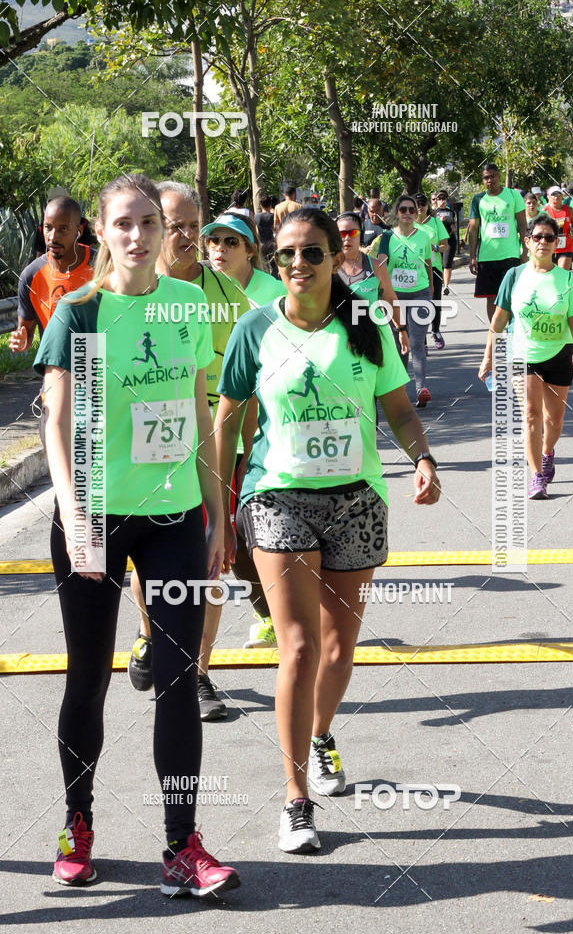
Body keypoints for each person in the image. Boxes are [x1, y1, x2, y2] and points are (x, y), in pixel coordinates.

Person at [34, 172, 240, 897]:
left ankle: (183, 846)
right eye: (123, 223)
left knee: (179, 679)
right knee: (87, 678)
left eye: (149, 223)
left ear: (164, 230)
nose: (138, 236)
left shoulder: (187, 306)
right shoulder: (81, 313)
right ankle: (77, 823)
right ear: (103, 232)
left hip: (175, 517)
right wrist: (75, 515)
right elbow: (54, 426)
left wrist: (218, 514)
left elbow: (199, 412)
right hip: (94, 514)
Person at [214, 207, 441, 853]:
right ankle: (295, 800)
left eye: (311, 253)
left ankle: (320, 738)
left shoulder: (366, 328)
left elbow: (397, 409)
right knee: (301, 649)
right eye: (286, 254)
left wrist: (421, 458)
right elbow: (227, 420)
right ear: (272, 260)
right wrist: (221, 505)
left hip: (356, 502)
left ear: (333, 257)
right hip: (279, 498)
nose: (298, 265)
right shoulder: (254, 329)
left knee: (340, 652)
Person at [125, 181, 269, 721]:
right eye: (174, 224)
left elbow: (246, 384)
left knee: (211, 560)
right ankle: (147, 634)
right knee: (152, 559)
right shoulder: (131, 291)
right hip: (146, 444)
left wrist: (249, 454)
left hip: (213, 441)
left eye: (193, 225)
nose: (186, 235)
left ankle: (199, 674)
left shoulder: (231, 298)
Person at [203, 210, 285, 648]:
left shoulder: (272, 292)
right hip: (211, 431)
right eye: (213, 240)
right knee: (220, 537)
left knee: (251, 533)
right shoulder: (193, 292)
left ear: (251, 248)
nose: (220, 249)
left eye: (231, 242)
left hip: (263, 430)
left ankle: (280, 613)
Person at [478, 213, 573, 499]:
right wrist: (488, 357)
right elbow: (499, 322)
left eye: (549, 238)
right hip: (523, 353)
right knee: (530, 414)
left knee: (554, 420)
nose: (543, 242)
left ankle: (548, 452)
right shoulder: (513, 276)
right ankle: (537, 476)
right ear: (527, 242)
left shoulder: (566, 279)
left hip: (559, 353)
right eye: (537, 237)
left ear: (556, 244)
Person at [371, 195, 434, 407]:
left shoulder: (424, 237)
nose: (408, 213)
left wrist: (431, 292)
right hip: (393, 297)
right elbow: (377, 263)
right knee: (400, 345)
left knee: (416, 341)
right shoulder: (387, 237)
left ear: (417, 214)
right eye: (403, 209)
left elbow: (427, 266)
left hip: (420, 294)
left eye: (412, 210)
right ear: (397, 213)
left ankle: (421, 389)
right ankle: (400, 392)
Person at [10, 196, 94, 354]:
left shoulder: (102, 267)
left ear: (78, 231)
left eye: (63, 229)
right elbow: (25, 332)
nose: (53, 237)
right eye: (48, 227)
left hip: (94, 363)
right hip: (53, 364)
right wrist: (21, 341)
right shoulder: (31, 276)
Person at [335, 210, 409, 363]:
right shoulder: (327, 269)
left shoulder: (375, 266)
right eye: (342, 234)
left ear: (360, 235)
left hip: (373, 340)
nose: (347, 238)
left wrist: (401, 330)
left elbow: (390, 298)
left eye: (352, 232)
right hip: (339, 344)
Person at [469, 162, 527, 322]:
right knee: (491, 297)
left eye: (493, 176)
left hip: (511, 254)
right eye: (486, 178)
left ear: (499, 176)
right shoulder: (478, 199)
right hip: (487, 257)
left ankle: (511, 329)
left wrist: (525, 252)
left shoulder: (513, 195)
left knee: (511, 296)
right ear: (483, 180)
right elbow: (473, 229)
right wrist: (472, 256)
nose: (490, 180)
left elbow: (522, 224)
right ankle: (496, 333)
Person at [202, 210, 285, 309]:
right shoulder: (199, 291)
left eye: (231, 242)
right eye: (214, 240)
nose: (220, 247)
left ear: (251, 250)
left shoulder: (277, 293)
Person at [416, 193, 449, 348]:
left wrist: (434, 248)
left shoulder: (436, 223)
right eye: (417, 204)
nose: (420, 207)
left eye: (423, 203)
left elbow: (445, 245)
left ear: (428, 206)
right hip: (415, 269)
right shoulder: (409, 225)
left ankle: (435, 331)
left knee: (435, 301)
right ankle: (421, 339)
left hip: (434, 267)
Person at [543, 186, 573, 271]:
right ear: (548, 197)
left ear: (562, 196)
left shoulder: (569, 209)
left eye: (558, 194)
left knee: (562, 273)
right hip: (549, 247)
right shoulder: (544, 211)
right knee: (551, 276)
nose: (556, 196)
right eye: (553, 194)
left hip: (566, 246)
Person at [433, 190, 457, 294]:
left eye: (443, 199)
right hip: (437, 241)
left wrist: (452, 227)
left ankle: (446, 286)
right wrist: (439, 221)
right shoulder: (433, 213)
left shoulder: (451, 212)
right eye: (439, 199)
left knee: (447, 264)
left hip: (449, 239)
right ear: (436, 200)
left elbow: (454, 226)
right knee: (439, 264)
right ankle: (438, 283)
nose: (441, 201)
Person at [255, 192, 276, 274]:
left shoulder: (256, 216)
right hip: (271, 242)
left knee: (263, 265)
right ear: (270, 205)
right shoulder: (273, 216)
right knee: (273, 265)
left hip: (261, 243)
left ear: (261, 205)